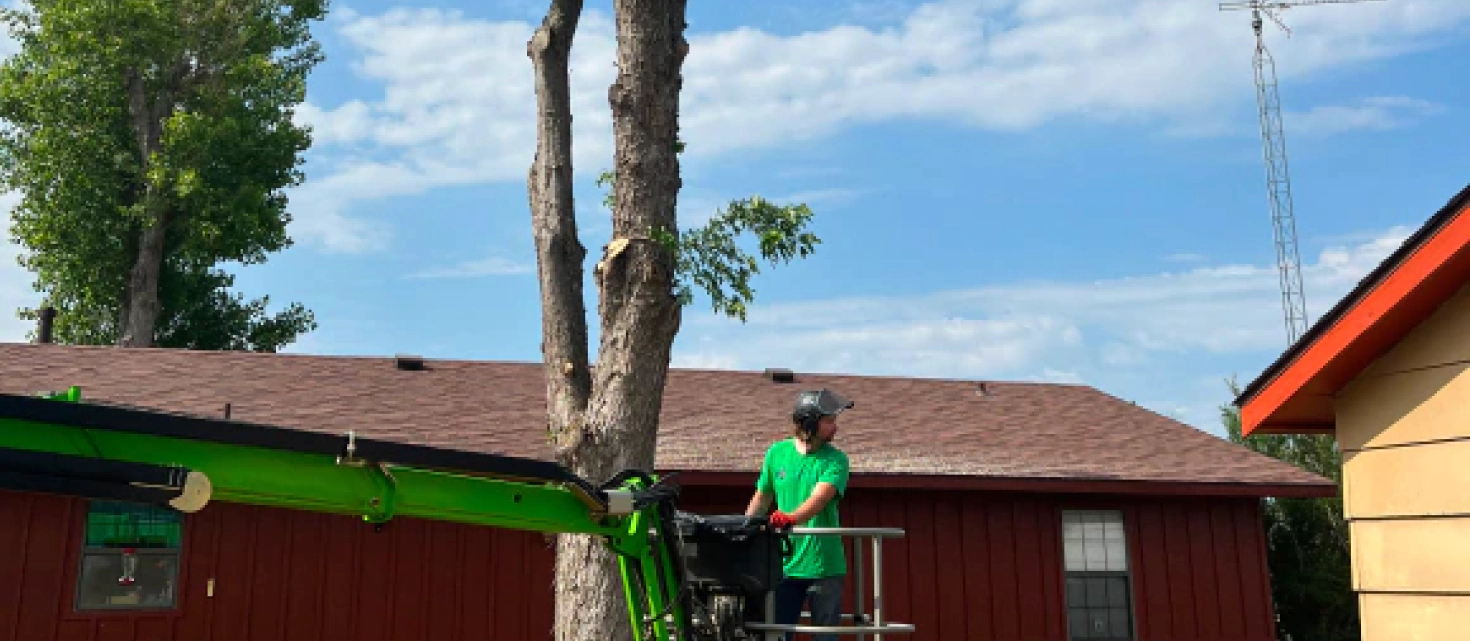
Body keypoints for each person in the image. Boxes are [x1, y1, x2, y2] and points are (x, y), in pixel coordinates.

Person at [745, 388, 853, 641]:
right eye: (829, 421)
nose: (835, 427)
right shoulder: (777, 453)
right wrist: (744, 528)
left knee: (825, 638)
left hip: (824, 566)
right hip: (783, 564)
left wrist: (791, 518)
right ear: (809, 423)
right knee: (777, 634)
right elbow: (762, 497)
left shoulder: (836, 460)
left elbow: (819, 498)